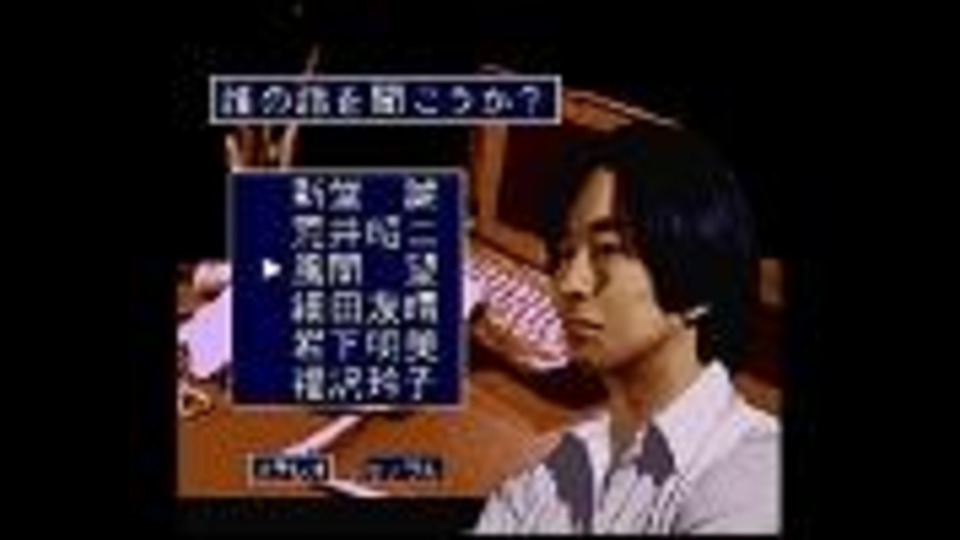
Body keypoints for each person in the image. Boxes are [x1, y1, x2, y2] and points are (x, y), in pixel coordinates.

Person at [473, 123, 780, 534]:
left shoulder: (754, 472)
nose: (568, 282)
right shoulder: (568, 459)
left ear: (699, 281)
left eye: (609, 250)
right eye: (566, 252)